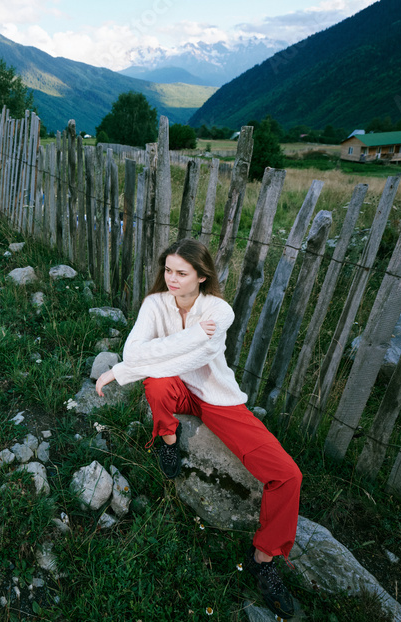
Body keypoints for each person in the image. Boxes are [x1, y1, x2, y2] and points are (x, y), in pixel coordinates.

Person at [95, 238, 301, 619]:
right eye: (168, 270)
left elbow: (200, 353)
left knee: (287, 474)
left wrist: (124, 370)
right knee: (157, 383)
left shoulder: (218, 311)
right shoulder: (154, 304)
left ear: (202, 277)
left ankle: (263, 560)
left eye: (181, 273)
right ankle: (168, 439)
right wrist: (130, 364)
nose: (171, 279)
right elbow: (134, 352)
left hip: (215, 398)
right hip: (174, 389)